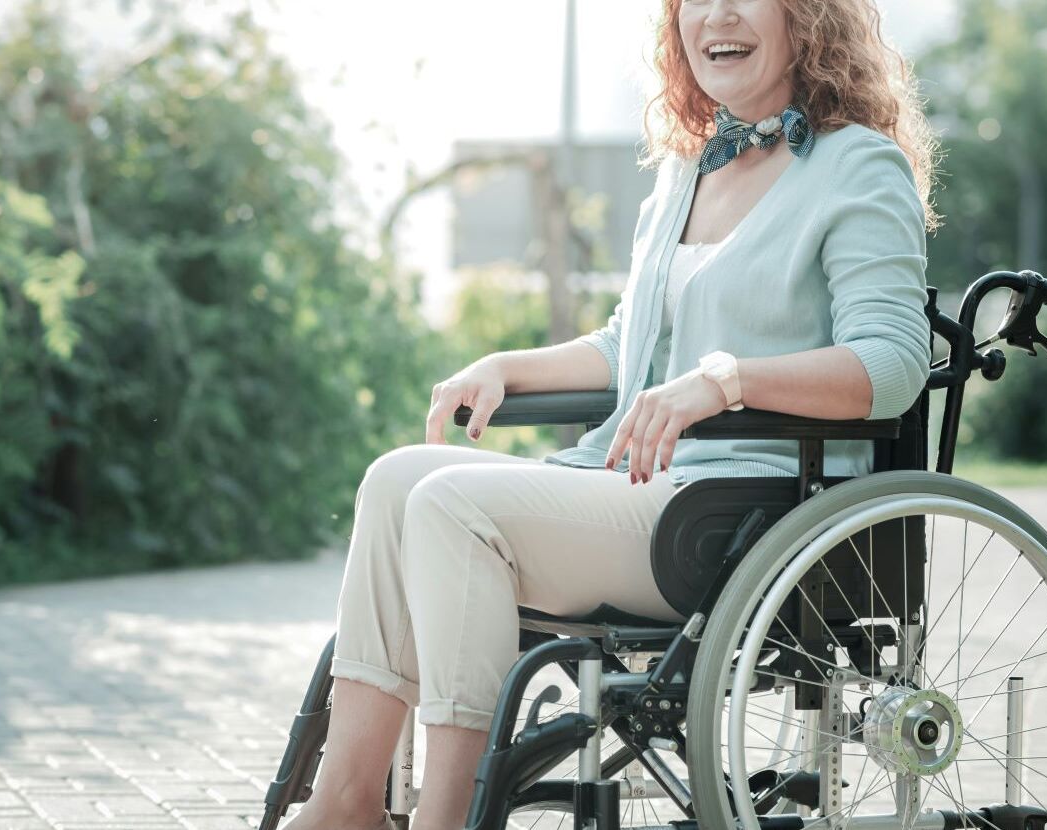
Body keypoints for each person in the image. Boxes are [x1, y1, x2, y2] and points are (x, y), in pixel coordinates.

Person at [282, 0, 937, 827]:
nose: (716, 15)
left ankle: (443, 815)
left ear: (804, 17)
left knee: (450, 505)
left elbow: (890, 365)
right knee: (393, 480)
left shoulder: (856, 165)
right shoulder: (684, 173)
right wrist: (504, 368)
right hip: (633, 482)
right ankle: (345, 804)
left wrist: (723, 380)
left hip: (747, 510)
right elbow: (628, 346)